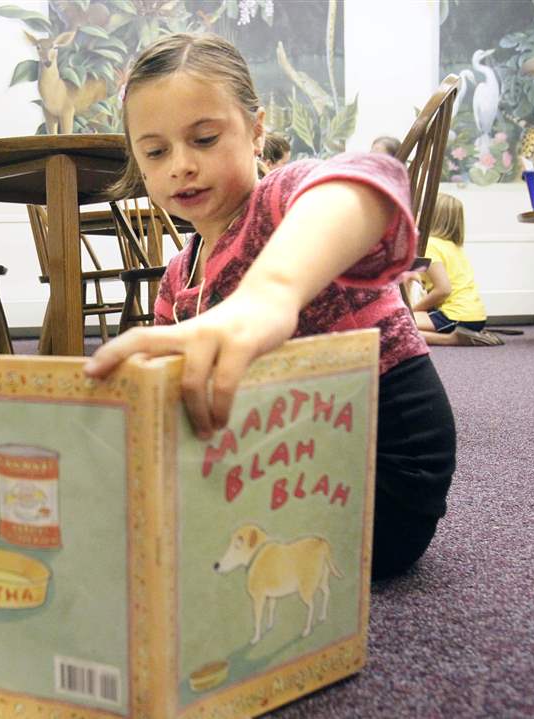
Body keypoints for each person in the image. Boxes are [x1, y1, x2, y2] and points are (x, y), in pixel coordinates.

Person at [86, 34, 455, 580]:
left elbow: (372, 181)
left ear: (257, 131)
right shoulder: (176, 279)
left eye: (205, 139)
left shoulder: (281, 201)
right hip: (278, 453)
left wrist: (272, 292)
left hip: (381, 470)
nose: (181, 165)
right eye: (156, 151)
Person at [409, 194, 502, 346]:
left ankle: (451, 338)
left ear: (431, 216)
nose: (417, 214)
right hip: (473, 315)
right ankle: (471, 334)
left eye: (420, 211)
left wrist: (413, 310)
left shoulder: (430, 245)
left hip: (455, 315)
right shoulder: (451, 246)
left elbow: (443, 289)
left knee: (396, 325)